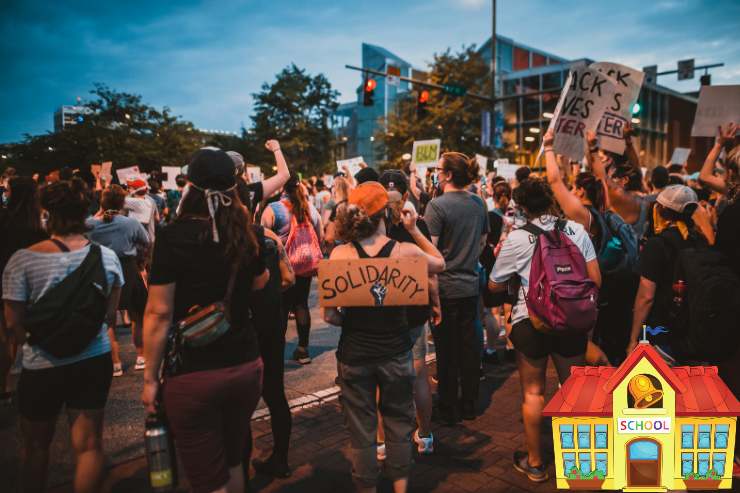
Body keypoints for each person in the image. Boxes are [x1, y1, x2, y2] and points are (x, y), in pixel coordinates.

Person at [141, 148, 269, 493]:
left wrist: (151, 379)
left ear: (190, 188)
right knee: (233, 461)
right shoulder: (248, 233)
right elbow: (261, 282)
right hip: (245, 365)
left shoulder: (172, 236)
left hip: (192, 371)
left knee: (207, 477)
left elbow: (158, 313)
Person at [3, 178, 123, 493]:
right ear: (86, 211)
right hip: (92, 357)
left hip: (41, 363)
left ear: (47, 212)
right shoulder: (106, 258)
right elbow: (110, 315)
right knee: (88, 446)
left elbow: (13, 323)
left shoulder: (23, 260)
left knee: (35, 448)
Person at [324, 181, 444, 493]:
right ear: (385, 214)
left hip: (354, 354)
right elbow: (440, 263)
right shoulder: (404, 251)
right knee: (399, 425)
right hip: (395, 351)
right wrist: (414, 228)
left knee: (362, 431)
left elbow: (330, 316)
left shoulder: (340, 255)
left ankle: (367, 488)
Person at [488, 177, 600, 483]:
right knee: (575, 392)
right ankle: (581, 463)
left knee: (533, 393)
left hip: (531, 323)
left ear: (522, 206)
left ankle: (535, 462)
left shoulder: (517, 238)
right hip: (571, 323)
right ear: (551, 198)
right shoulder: (576, 230)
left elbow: (495, 284)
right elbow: (595, 280)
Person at [543, 129, 629, 365]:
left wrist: (549, 146)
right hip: (608, 291)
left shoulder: (582, 215)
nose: (570, 192)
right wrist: (591, 148)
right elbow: (601, 181)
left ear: (581, 191)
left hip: (588, 294)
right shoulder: (605, 209)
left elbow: (553, 181)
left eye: (573, 189)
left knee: (585, 354)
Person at [378, 170, 443, 454]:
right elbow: (434, 269)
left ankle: (382, 442)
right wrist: (436, 302)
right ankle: (425, 436)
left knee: (381, 378)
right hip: (414, 309)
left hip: (380, 309)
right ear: (406, 195)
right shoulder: (415, 225)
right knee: (418, 375)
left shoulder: (370, 225)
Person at [424, 152, 489, 423]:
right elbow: (484, 242)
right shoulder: (479, 204)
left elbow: (431, 252)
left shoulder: (437, 207)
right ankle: (470, 403)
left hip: (446, 288)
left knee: (446, 351)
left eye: (438, 169)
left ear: (448, 175)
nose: (435, 173)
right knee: (470, 348)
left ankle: (449, 406)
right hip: (471, 285)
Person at [627, 185, 708, 362]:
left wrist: (633, 339)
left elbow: (645, 297)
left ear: (661, 210)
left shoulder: (657, 244)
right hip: (693, 335)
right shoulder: (700, 241)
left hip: (662, 336)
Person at [86, 185, 150, 376]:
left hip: (101, 269)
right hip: (128, 267)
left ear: (102, 202)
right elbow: (146, 242)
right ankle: (141, 356)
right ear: (123, 202)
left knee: (108, 319)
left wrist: (99, 213)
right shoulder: (130, 223)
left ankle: (115, 363)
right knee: (138, 315)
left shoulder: (91, 224)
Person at [261, 175, 323, 364]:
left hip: (282, 267)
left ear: (282, 188)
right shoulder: (310, 208)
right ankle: (303, 350)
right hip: (304, 266)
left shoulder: (273, 209)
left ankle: (277, 352)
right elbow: (319, 236)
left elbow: (263, 236)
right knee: (301, 304)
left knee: (281, 307)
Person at [250, 224, 295, 478]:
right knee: (275, 394)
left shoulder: (222, 235)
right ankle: (281, 460)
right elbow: (289, 278)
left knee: (239, 404)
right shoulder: (269, 237)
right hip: (271, 324)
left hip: (241, 329)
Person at [0, 176, 48, 405]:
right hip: (32, 285)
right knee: (28, 335)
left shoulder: (4, 219)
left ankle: (5, 385)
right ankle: (29, 376)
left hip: (4, 281)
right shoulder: (38, 226)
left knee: (6, 334)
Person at [229, 140, 290, 214]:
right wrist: (276, 149)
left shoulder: (214, 194)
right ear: (243, 173)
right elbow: (284, 175)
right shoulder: (250, 191)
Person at [124, 178, 159, 243]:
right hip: (150, 236)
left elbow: (118, 200)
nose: (128, 189)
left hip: (140, 239)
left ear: (135, 190)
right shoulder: (151, 200)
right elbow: (157, 218)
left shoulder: (136, 202)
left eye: (130, 188)